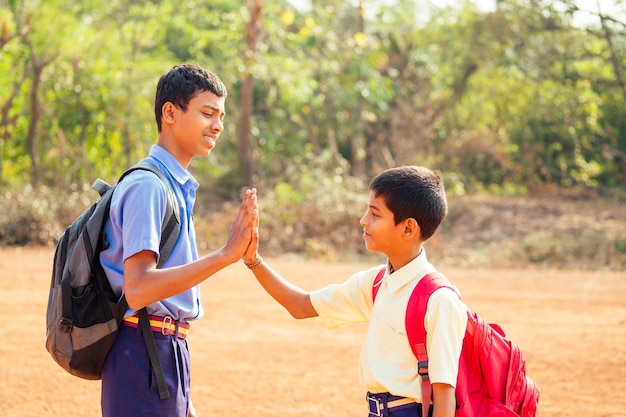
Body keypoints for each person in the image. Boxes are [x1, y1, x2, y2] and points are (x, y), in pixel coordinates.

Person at [242, 165, 467, 417]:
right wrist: (253, 260)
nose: (363, 220)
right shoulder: (375, 283)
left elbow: (445, 394)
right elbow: (301, 306)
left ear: (408, 228)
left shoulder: (439, 299)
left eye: (375, 214)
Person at [99, 64, 258, 417]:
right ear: (169, 112)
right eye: (207, 113)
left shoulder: (173, 186)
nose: (217, 125)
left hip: (163, 348)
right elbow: (138, 289)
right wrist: (225, 255)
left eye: (221, 116)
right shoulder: (149, 186)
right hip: (143, 348)